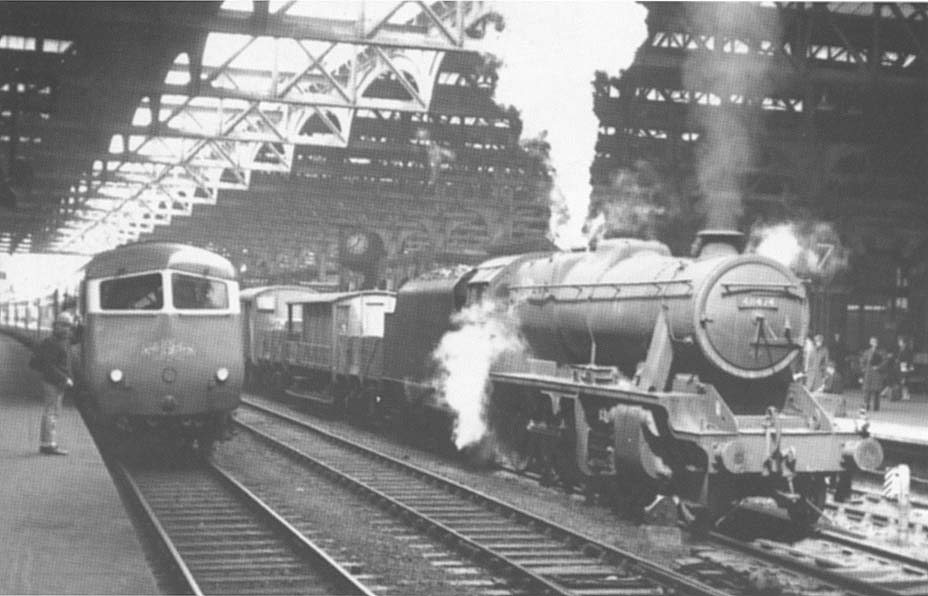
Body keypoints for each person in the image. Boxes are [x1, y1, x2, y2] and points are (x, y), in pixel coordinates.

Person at [31, 311, 76, 455]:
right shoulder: (53, 342)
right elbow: (49, 366)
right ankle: (48, 445)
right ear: (56, 325)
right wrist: (64, 379)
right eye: (63, 325)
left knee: (53, 412)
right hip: (53, 382)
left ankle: (48, 443)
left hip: (55, 382)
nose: (66, 328)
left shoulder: (61, 340)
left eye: (69, 325)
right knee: (51, 413)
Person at [859, 336, 887, 412]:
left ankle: (876, 407)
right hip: (868, 373)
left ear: (877, 342)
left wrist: (878, 367)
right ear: (870, 343)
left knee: (877, 390)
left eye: (875, 341)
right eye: (872, 341)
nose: (874, 343)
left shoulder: (882, 352)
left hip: (877, 373)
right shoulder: (867, 352)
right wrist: (863, 369)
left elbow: (885, 361)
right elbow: (862, 360)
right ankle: (866, 406)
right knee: (866, 390)